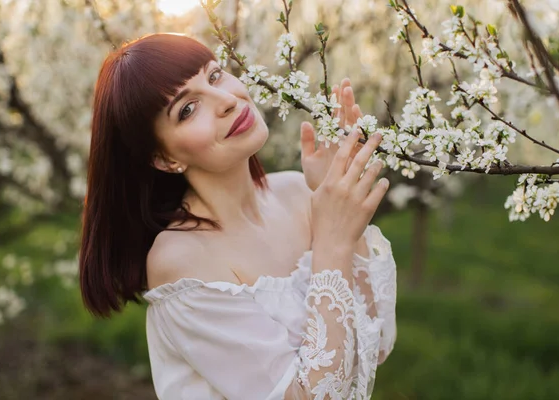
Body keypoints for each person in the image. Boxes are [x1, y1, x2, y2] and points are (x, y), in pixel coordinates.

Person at [79, 33, 397, 400]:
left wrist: (338, 205)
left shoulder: (297, 193)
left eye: (214, 76)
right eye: (187, 109)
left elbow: (376, 347)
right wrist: (333, 242)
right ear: (165, 159)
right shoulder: (181, 259)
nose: (227, 100)